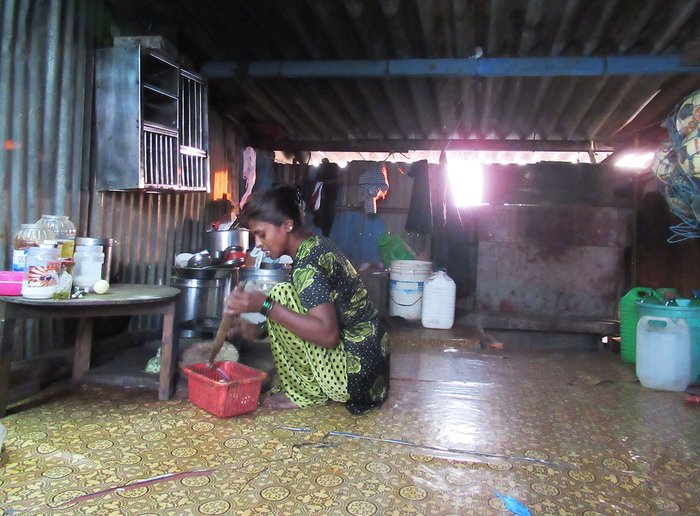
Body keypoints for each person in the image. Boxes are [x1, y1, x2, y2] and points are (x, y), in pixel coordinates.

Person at [225, 185, 390, 415]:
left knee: (279, 293)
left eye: (261, 234)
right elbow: (303, 310)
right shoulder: (313, 246)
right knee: (282, 297)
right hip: (371, 364)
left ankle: (306, 393)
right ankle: (310, 386)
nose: (258, 243)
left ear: (287, 225)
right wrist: (257, 329)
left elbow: (328, 335)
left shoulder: (308, 263)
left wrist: (264, 305)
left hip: (356, 371)